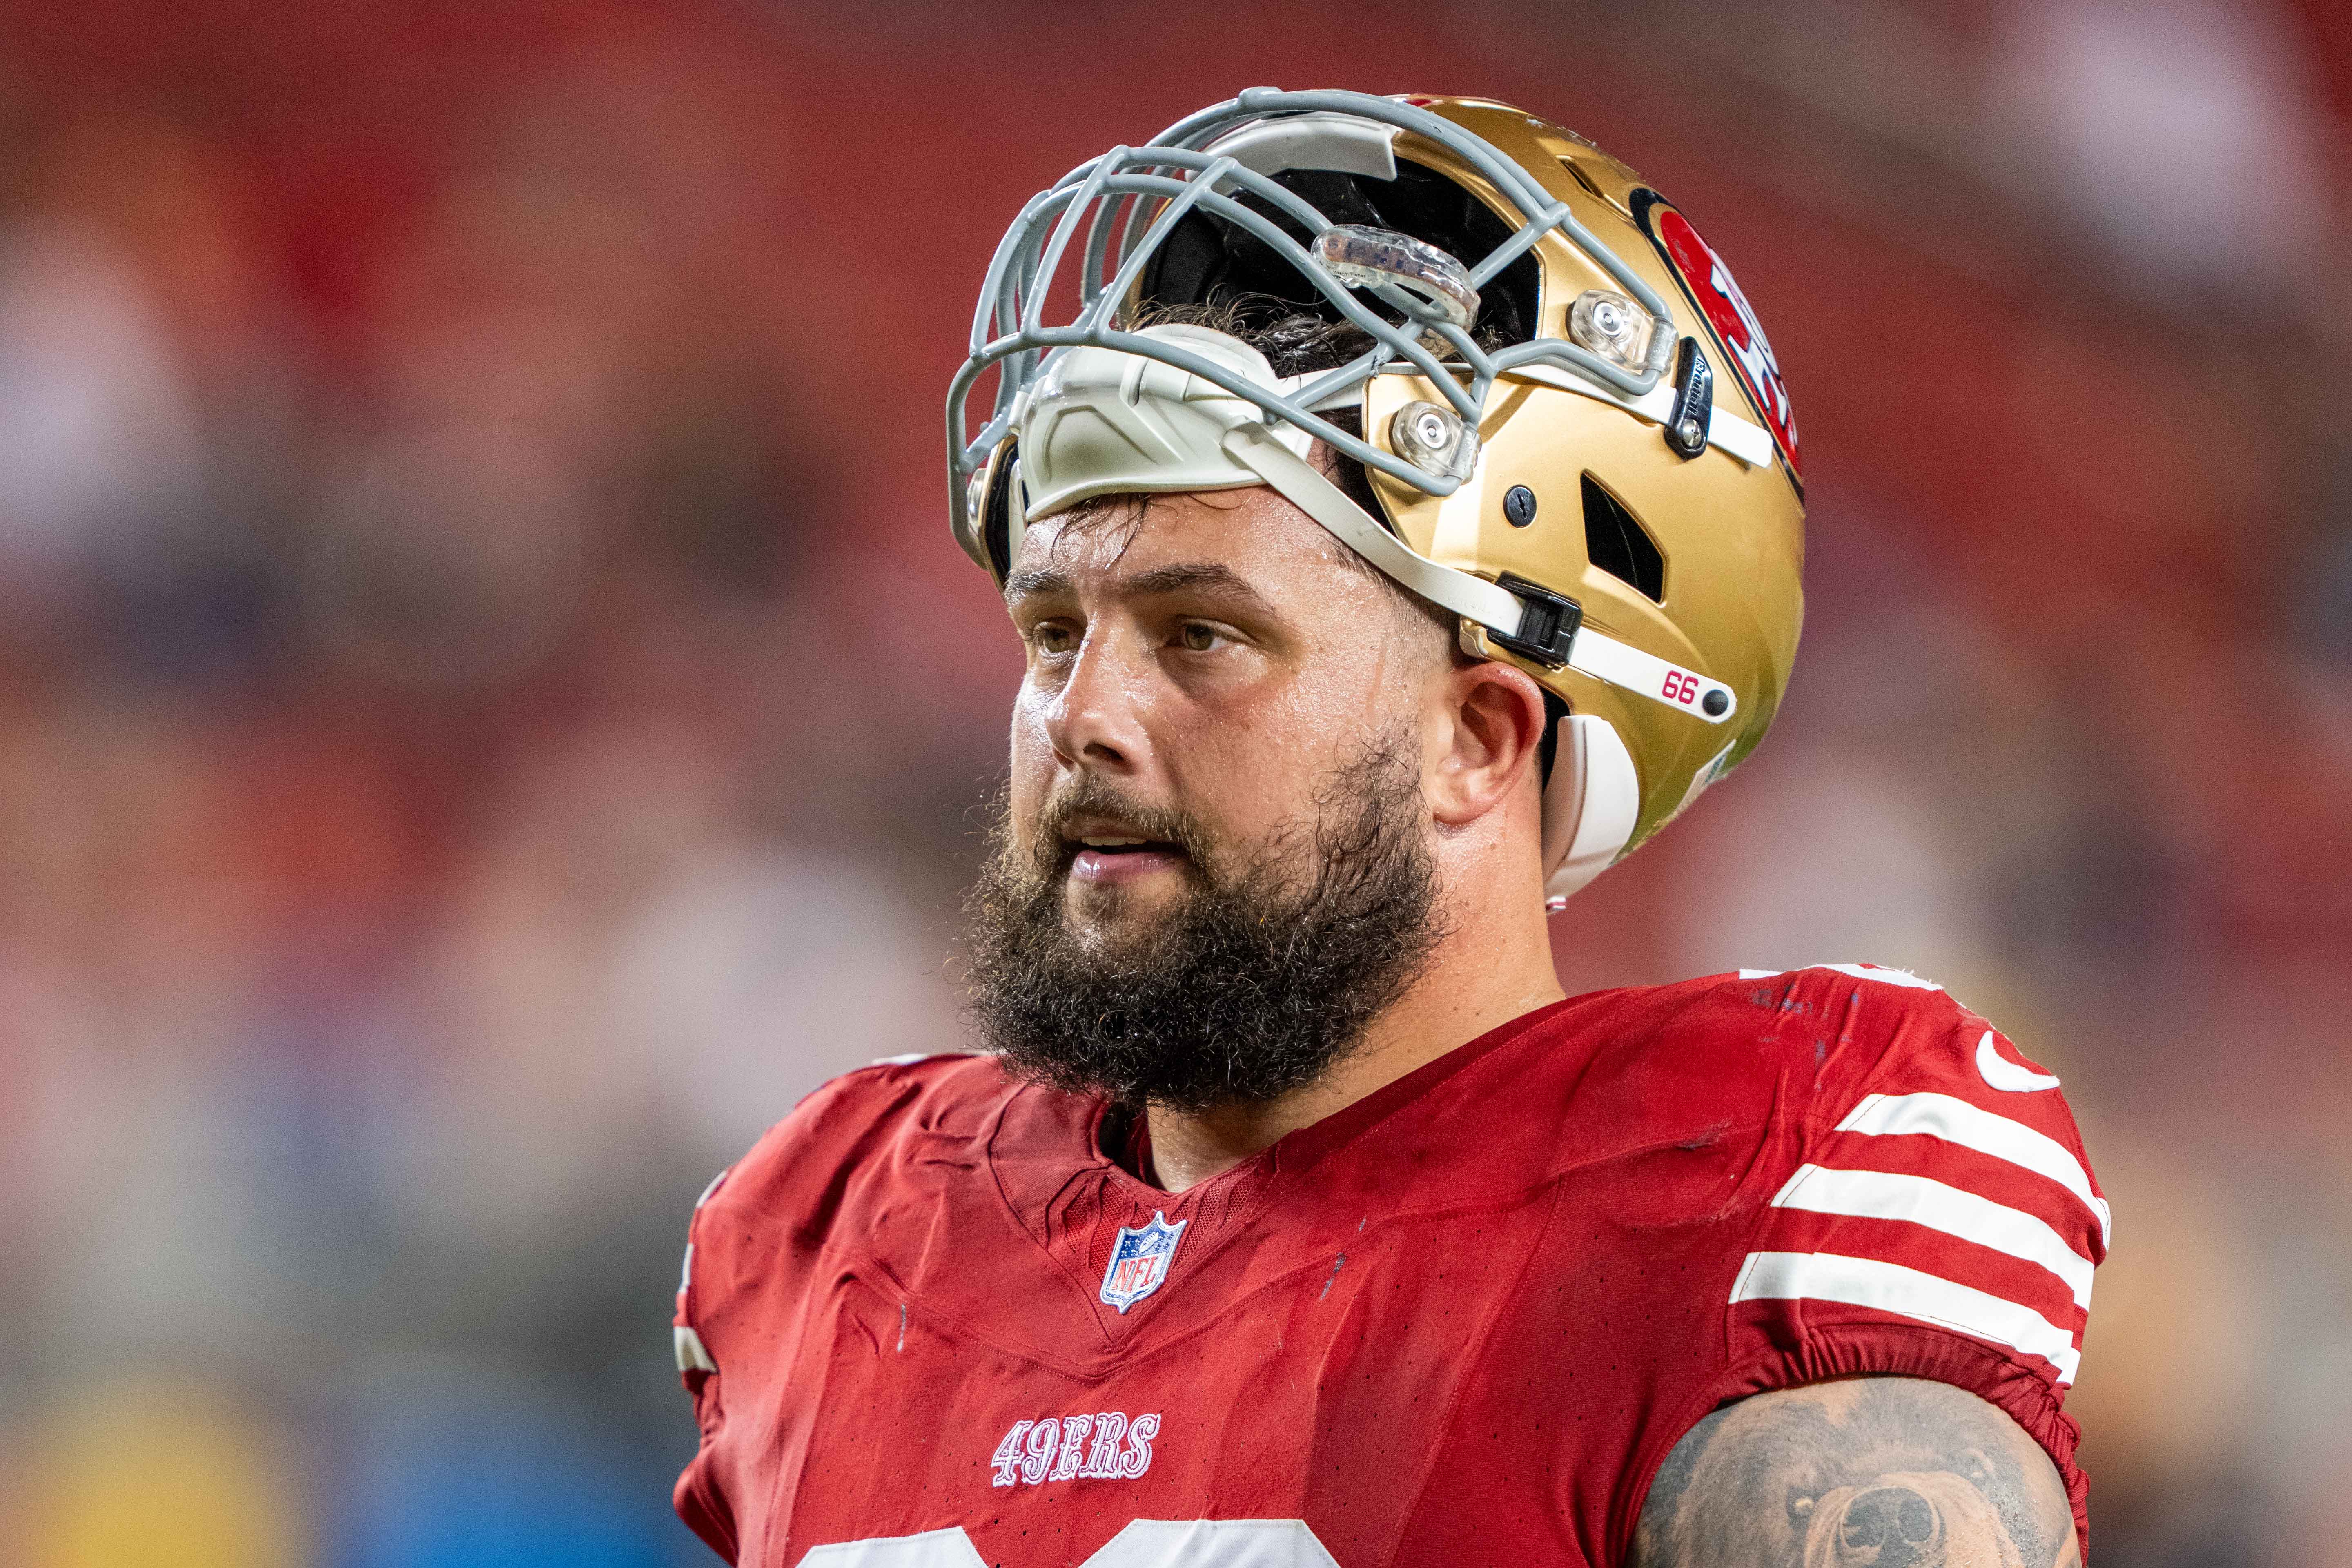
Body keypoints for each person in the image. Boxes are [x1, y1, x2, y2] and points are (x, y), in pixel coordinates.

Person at [670, 89, 2103, 1568]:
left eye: (1202, 635)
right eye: (1051, 630)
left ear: (1475, 741)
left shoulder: (1756, 1188)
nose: (1080, 715)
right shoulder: (842, 1228)